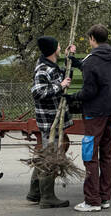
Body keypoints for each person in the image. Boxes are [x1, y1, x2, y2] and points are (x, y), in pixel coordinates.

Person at [64, 24, 111, 212]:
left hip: (94, 113)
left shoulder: (91, 61)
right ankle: (104, 198)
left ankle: (92, 201)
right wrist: (78, 63)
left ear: (92, 39)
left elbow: (89, 91)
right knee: (107, 155)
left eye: (89, 38)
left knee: (90, 155)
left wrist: (72, 97)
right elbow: (98, 74)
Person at [26, 36, 75, 208]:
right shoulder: (42, 69)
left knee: (46, 154)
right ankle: (47, 197)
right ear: (53, 49)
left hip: (54, 119)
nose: (60, 47)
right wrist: (59, 86)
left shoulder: (52, 67)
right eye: (59, 46)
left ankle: (35, 192)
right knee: (50, 156)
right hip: (49, 121)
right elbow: (37, 92)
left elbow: (64, 77)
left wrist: (70, 58)